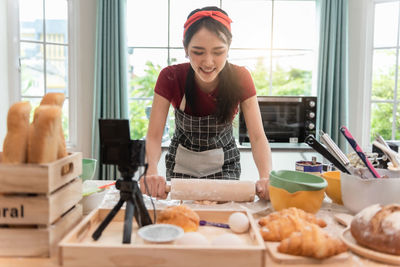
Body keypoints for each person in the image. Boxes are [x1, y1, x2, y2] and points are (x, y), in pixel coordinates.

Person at [140, 6, 272, 200]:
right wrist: (150, 170)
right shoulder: (171, 77)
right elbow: (153, 136)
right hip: (181, 166)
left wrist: (266, 176)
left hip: (225, 166)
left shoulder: (241, 77)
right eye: (198, 52)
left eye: (218, 52)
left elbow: (257, 136)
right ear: (186, 49)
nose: (208, 62)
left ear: (228, 49)